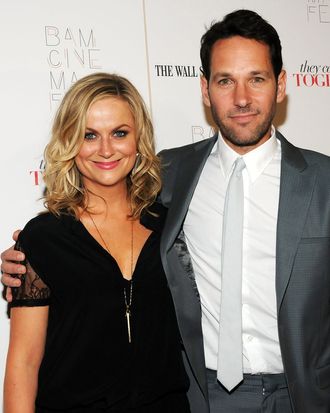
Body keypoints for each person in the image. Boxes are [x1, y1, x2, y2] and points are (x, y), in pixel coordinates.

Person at [2, 9, 330, 413]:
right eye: (225, 80)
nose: (241, 98)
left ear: (280, 86)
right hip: (202, 396)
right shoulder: (173, 176)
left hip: (302, 396)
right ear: (205, 90)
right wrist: (27, 260)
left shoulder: (323, 181)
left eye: (256, 79)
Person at [2, 72, 190, 413]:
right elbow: (24, 363)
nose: (106, 149)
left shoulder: (172, 227)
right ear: (70, 142)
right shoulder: (44, 238)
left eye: (119, 133)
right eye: (89, 135)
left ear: (139, 139)